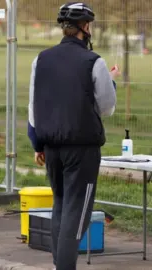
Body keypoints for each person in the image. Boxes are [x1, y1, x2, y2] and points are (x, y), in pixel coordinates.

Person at [27, 3, 118, 269]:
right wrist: (110, 82)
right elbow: (106, 107)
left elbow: (33, 106)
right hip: (83, 149)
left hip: (51, 146)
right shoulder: (94, 61)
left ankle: (59, 264)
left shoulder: (40, 59)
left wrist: (37, 144)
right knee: (76, 215)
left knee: (60, 206)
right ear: (85, 27)